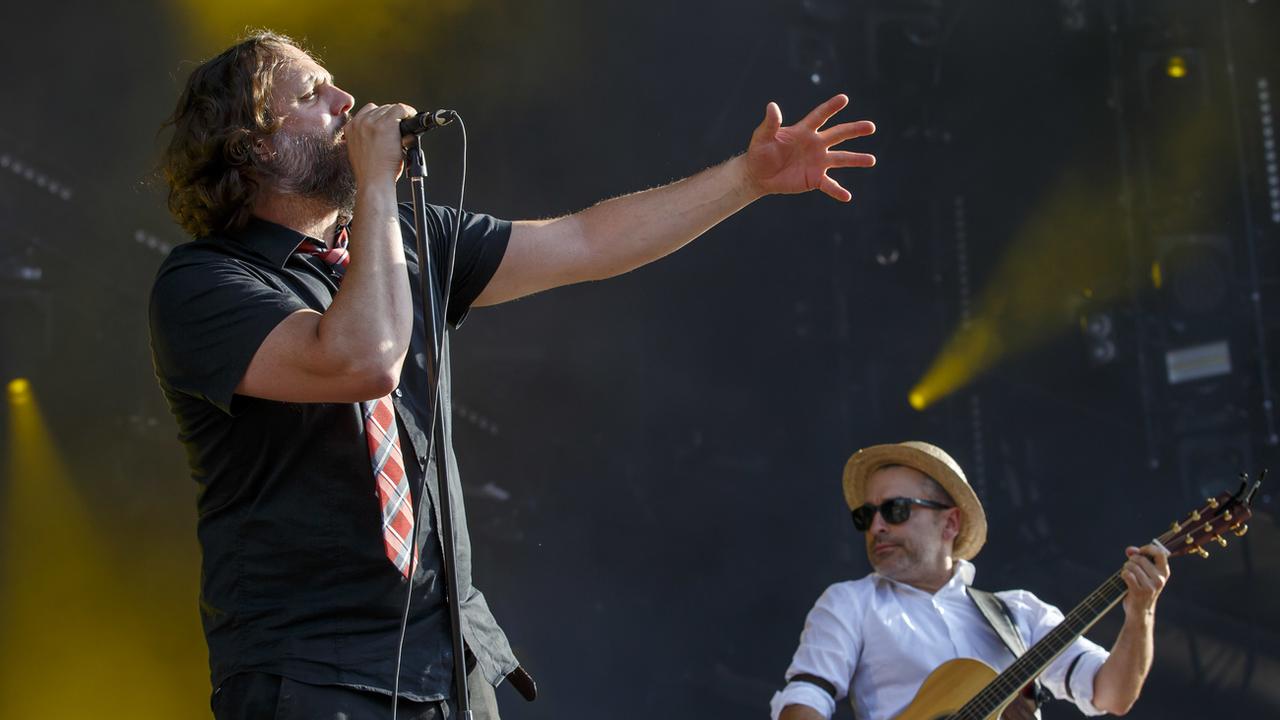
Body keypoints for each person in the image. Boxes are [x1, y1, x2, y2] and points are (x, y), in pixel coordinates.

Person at [150, 30, 877, 720]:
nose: (346, 103)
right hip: (310, 672)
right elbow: (362, 360)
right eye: (312, 93)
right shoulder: (204, 286)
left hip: (449, 667)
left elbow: (585, 240)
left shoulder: (407, 238)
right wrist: (376, 187)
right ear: (252, 146)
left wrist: (746, 178)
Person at [770, 441, 1171, 720]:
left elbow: (1112, 694)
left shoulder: (1018, 613)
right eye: (865, 515)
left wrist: (1141, 613)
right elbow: (806, 698)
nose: (876, 526)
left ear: (950, 522)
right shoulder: (849, 603)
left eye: (894, 510)